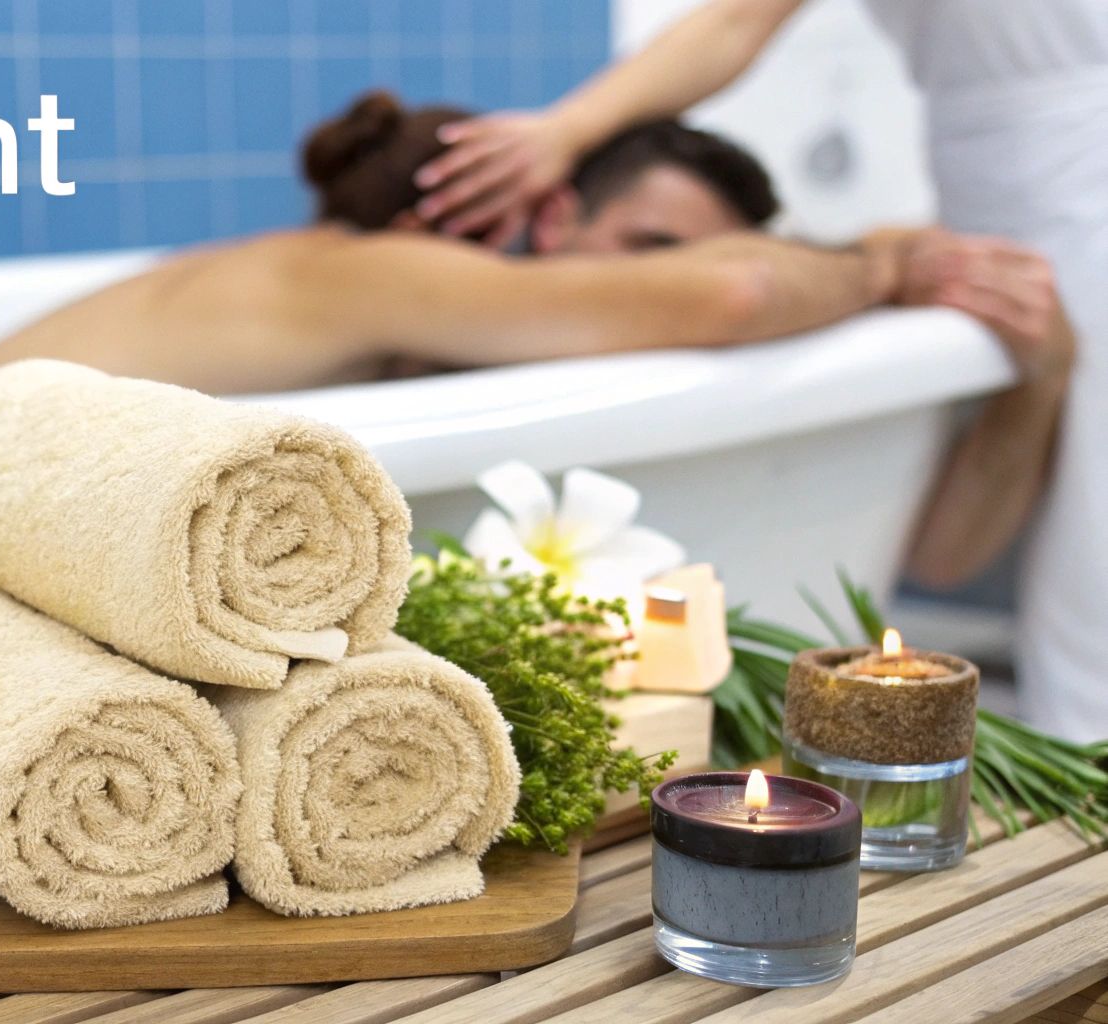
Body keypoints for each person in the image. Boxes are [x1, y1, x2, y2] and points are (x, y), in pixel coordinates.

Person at [415, 0, 1100, 738]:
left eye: (705, 259)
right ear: (554, 222)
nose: (683, 294)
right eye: (650, 247)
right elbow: (735, 25)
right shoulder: (427, 319)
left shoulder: (792, 344)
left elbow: (942, 560)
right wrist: (562, 132)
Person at [0, 91, 1012, 429]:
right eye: (647, 253)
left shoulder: (348, 281)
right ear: (546, 215)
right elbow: (736, 291)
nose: (649, 293)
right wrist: (880, 265)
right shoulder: (378, 269)